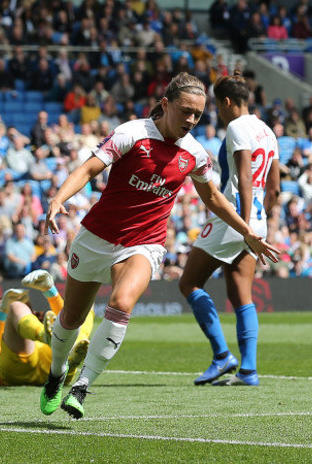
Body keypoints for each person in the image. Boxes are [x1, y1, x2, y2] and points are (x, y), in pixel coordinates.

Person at [40, 72, 280, 419]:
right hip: (97, 236)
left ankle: (81, 387)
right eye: (185, 111)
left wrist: (247, 231)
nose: (191, 120)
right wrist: (58, 197)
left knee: (122, 304)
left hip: (144, 242)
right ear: (165, 104)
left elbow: (212, 196)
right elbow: (89, 168)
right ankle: (56, 375)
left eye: (197, 115)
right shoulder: (131, 133)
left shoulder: (194, 153)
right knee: (72, 317)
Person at [178, 72, 280, 387]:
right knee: (240, 293)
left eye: (217, 107)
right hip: (257, 218)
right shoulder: (268, 131)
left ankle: (222, 355)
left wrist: (245, 225)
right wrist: (260, 221)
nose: (217, 114)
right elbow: (274, 187)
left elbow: (245, 177)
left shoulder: (237, 127)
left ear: (226, 102)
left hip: (235, 218)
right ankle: (248, 371)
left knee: (190, 283)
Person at [0, 270, 94, 387]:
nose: (4, 313)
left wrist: (50, 291)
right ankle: (64, 351)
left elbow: (69, 319)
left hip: (52, 361)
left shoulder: (42, 321)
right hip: (19, 367)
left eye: (3, 310)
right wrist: (2, 316)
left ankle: (67, 355)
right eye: (0, 310)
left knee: (84, 305)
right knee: (16, 305)